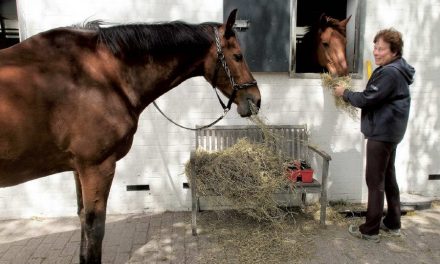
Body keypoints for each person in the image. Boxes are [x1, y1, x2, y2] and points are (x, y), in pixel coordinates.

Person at [334, 28, 415, 242]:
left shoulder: (390, 72)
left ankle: (370, 230)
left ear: (394, 51)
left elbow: (367, 99)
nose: (376, 52)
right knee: (388, 178)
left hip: (382, 133)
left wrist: (345, 93)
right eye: (375, 47)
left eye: (381, 49)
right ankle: (393, 222)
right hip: (391, 131)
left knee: (374, 181)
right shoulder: (395, 68)